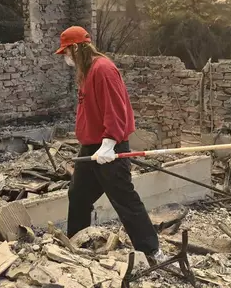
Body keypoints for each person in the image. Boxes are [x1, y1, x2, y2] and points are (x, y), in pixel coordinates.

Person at [55, 25, 165, 264]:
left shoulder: (103, 69)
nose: (65, 58)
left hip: (109, 146)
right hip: (92, 147)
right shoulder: (86, 71)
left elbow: (116, 108)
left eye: (65, 52)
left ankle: (152, 250)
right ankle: (78, 241)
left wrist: (110, 142)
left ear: (75, 47)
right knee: (78, 194)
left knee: (124, 198)